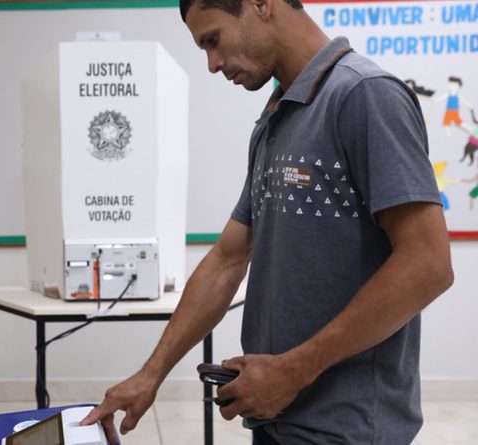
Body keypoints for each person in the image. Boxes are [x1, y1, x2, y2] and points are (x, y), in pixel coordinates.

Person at [81, 0, 454, 444]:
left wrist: (293, 371)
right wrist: (150, 375)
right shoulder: (276, 117)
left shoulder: (365, 94)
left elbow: (429, 265)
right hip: (277, 418)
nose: (212, 65)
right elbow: (227, 259)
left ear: (261, 5)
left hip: (348, 428)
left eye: (213, 41)